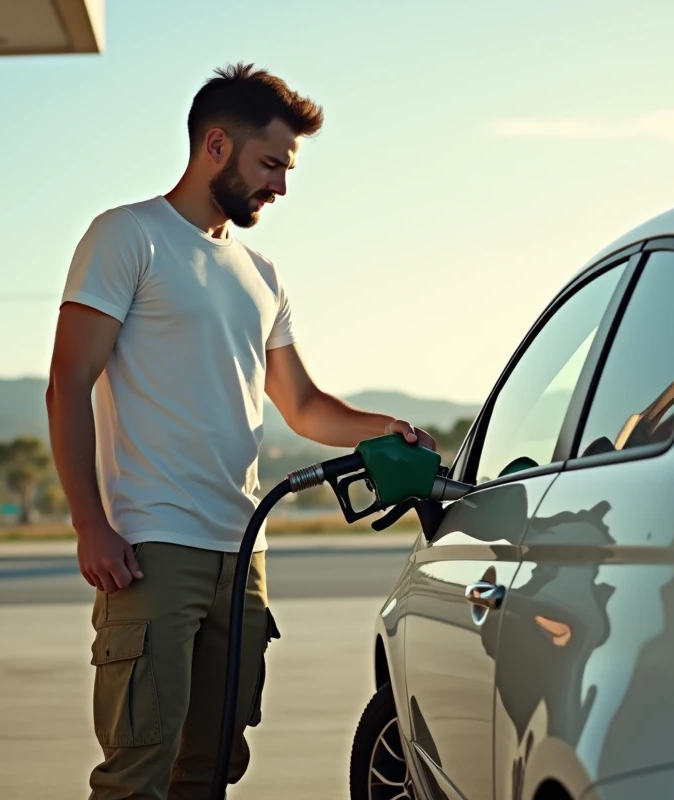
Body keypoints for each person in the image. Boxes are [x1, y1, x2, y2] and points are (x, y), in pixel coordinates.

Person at [45, 62, 437, 800]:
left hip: (244, 553)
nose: (280, 187)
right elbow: (67, 384)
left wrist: (385, 429)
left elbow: (302, 404)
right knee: (139, 771)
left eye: (286, 171)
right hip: (152, 547)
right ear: (216, 146)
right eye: (270, 165)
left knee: (214, 767)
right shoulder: (128, 237)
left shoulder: (262, 273)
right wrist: (89, 525)